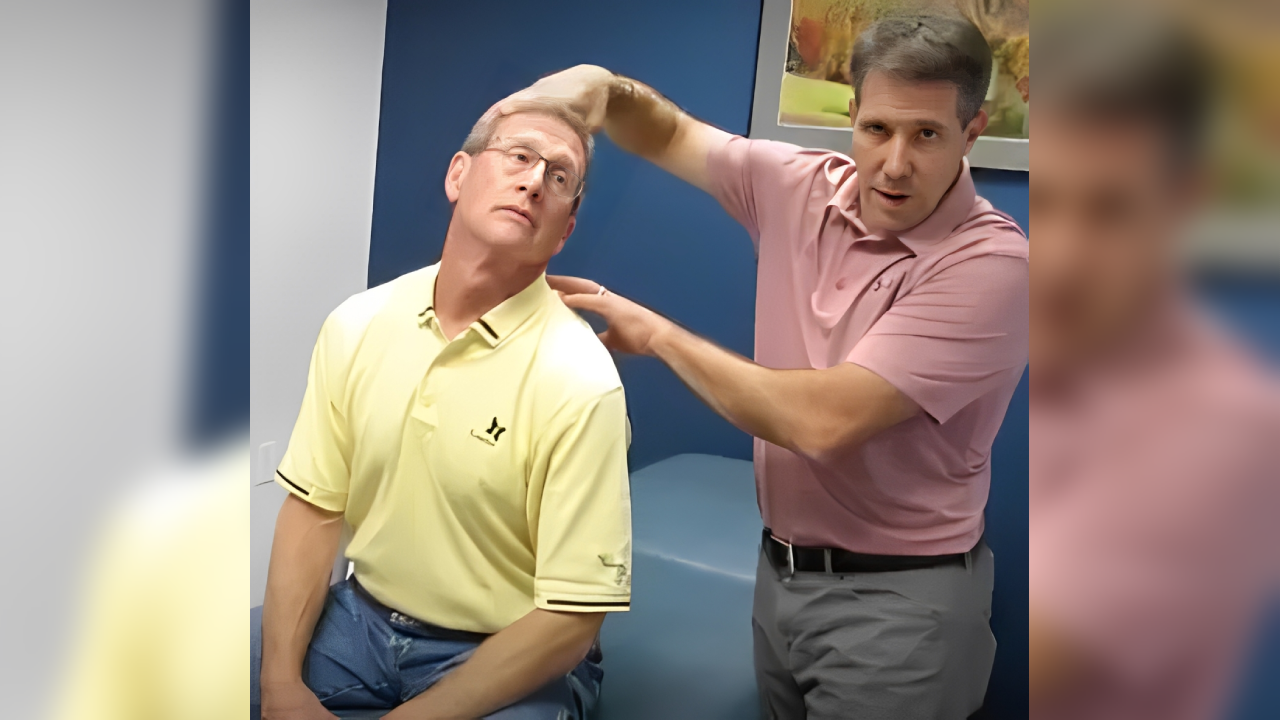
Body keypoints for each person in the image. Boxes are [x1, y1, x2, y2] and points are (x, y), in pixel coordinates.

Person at [501, 14, 1028, 720]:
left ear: (973, 131)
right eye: (877, 129)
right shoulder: (799, 186)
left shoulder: (992, 265)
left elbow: (821, 421)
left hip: (901, 609)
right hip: (779, 578)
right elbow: (670, 132)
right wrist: (605, 87)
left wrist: (656, 335)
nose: (894, 162)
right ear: (852, 116)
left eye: (926, 134)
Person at [251, 98, 633, 720]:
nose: (534, 180)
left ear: (564, 230)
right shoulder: (358, 323)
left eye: (558, 177)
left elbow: (570, 620)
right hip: (362, 618)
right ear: (459, 175)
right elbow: (314, 511)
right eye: (518, 155)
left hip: (501, 648)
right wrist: (280, 687)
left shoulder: (581, 381)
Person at [1028, 8, 1280, 719]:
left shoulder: (1232, 429)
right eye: (1045, 202)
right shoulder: (1070, 353)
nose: (1065, 256)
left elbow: (1042, 668)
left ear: (1184, 201)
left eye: (1110, 210)